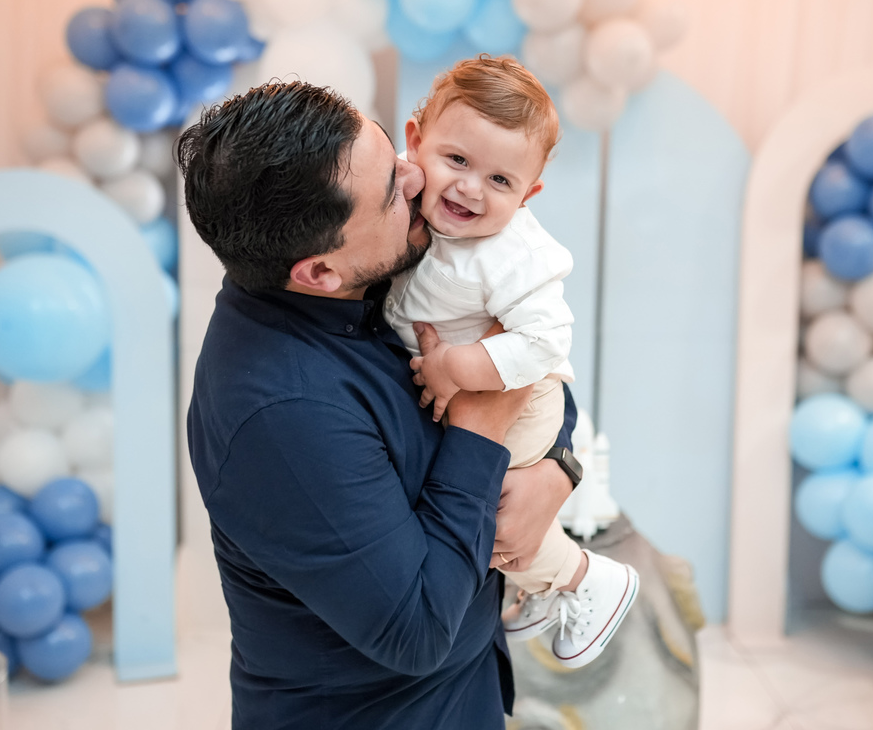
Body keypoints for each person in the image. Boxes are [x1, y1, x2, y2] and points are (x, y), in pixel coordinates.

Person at [179, 81, 579, 729]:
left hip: (468, 691)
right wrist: (480, 433)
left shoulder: (364, 265)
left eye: (394, 153)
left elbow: (532, 355)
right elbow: (415, 633)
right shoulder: (281, 417)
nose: (418, 178)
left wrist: (557, 469)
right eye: (392, 191)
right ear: (319, 271)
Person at [386, 55, 638, 668]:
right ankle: (544, 590)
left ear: (528, 194)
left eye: (500, 180)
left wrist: (456, 368)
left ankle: (583, 580)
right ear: (415, 142)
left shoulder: (515, 253)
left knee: (497, 522)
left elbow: (544, 344)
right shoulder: (399, 198)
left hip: (518, 396)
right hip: (474, 391)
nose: (471, 188)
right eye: (457, 160)